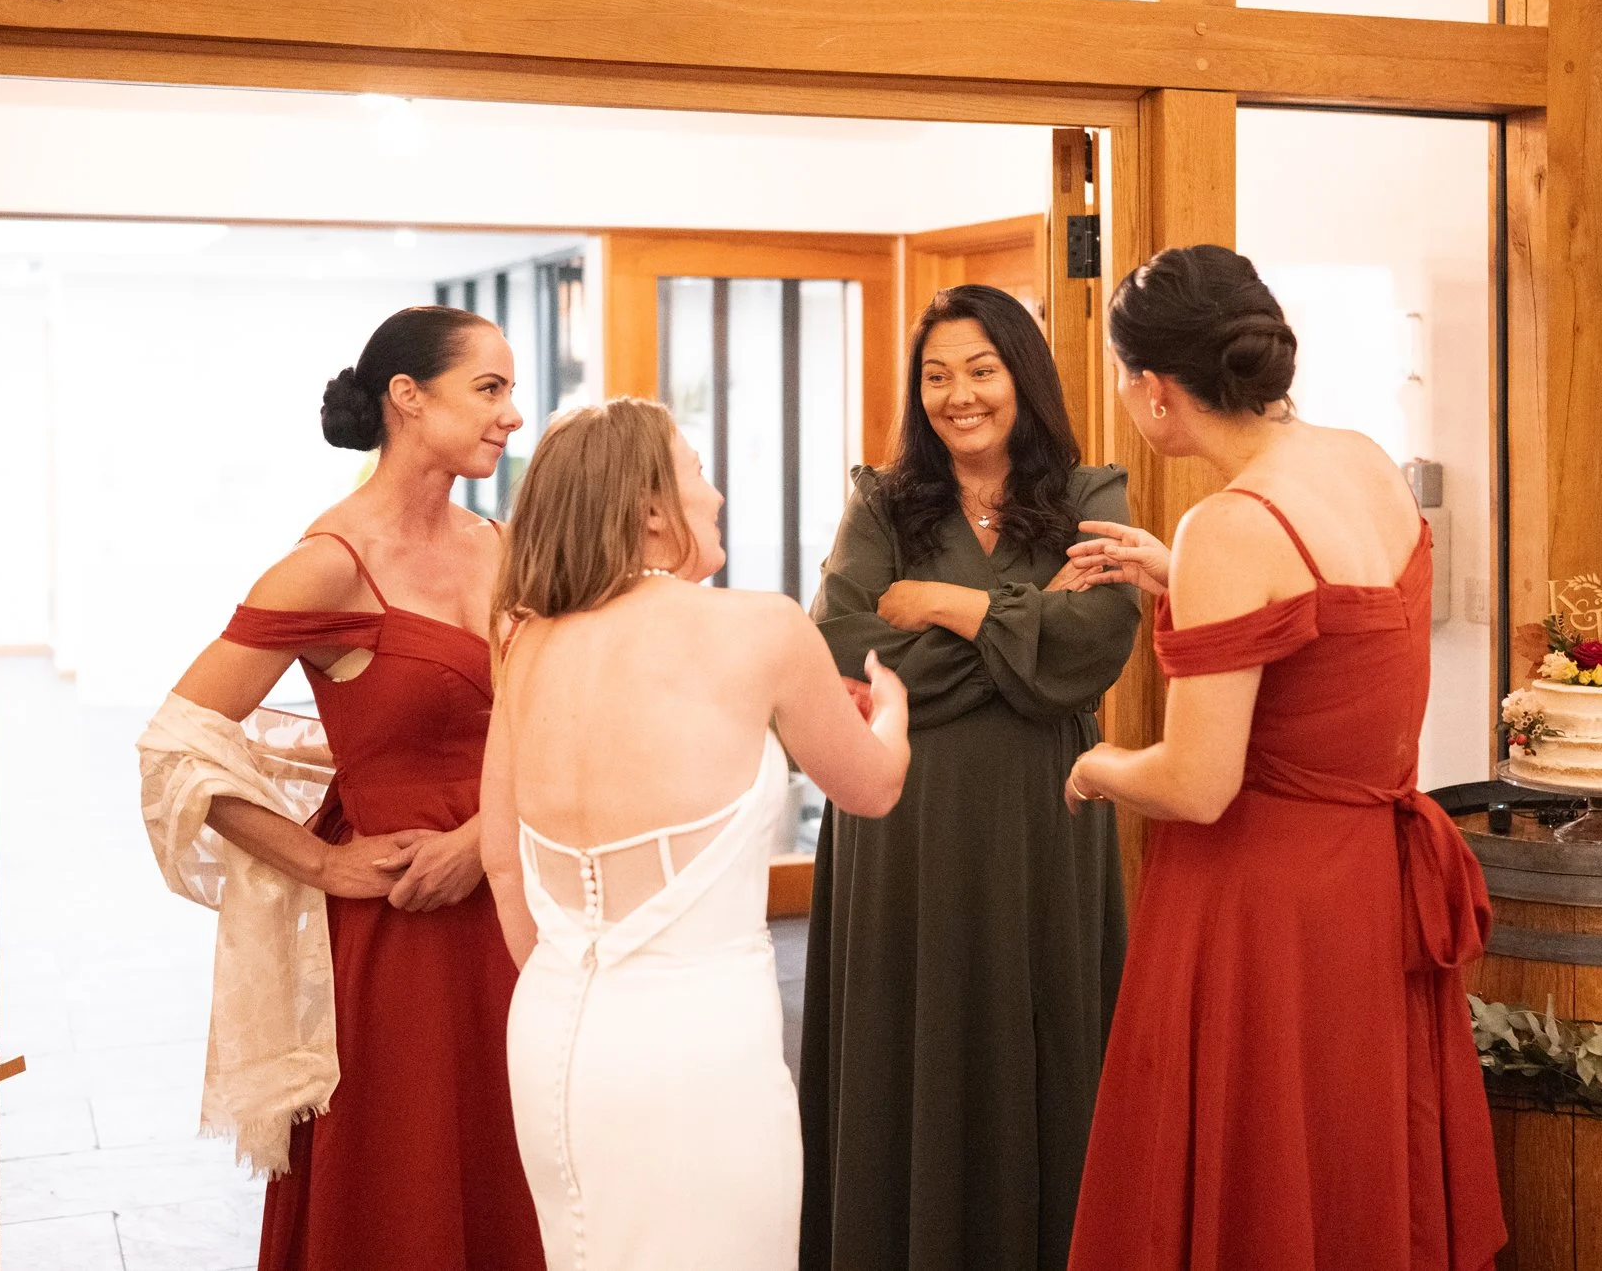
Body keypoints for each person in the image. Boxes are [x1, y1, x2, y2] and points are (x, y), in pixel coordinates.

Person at [1059, 246, 1503, 1271]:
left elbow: (1196, 782)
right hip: (1366, 887)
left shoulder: (1230, 522)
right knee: (1346, 1158)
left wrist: (1100, 765)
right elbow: (1330, 641)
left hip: (1261, 903)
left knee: (1256, 1175)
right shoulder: (1358, 458)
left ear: (1155, 391)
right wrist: (1180, 579)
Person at [141, 306, 546, 1271]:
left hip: (509, 892)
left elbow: (548, 725)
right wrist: (321, 859)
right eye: (489, 389)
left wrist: (483, 836)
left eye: (509, 391)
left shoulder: (498, 544)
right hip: (399, 926)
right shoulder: (327, 567)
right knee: (404, 1173)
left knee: (517, 1157)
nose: (513, 415)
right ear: (408, 399)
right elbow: (176, 744)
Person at [480, 397, 911, 1271]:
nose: (714, 497)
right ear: (649, 508)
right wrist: (893, 713)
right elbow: (872, 787)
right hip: (697, 1047)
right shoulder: (760, 626)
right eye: (698, 473)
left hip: (554, 1027)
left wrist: (584, 985)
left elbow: (500, 861)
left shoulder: (526, 639)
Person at [801, 283, 1142, 1271]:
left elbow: (1091, 651)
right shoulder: (880, 501)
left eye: (981, 369)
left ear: (1022, 376)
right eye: (937, 374)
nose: (958, 394)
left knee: (1036, 1035)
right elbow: (840, 656)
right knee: (907, 1043)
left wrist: (949, 604)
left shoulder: (1089, 496)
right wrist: (1024, 625)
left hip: (1042, 818)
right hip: (898, 817)